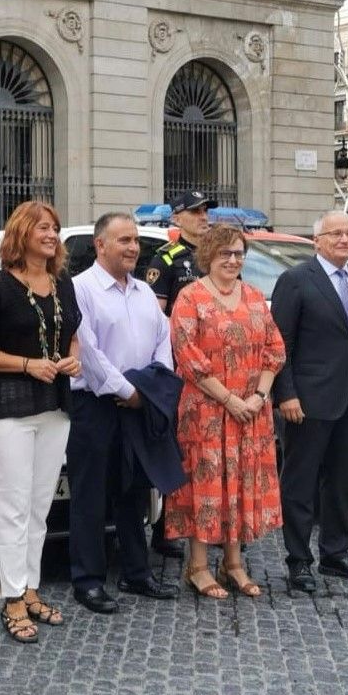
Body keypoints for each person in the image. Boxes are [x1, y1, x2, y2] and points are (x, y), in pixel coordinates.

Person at [0, 200, 81, 644]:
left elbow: (74, 332)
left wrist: (75, 360)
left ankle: (30, 587)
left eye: (54, 228)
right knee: (12, 509)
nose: (51, 235)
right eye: (43, 228)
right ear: (22, 233)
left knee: (39, 507)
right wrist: (26, 364)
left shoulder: (62, 283)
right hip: (11, 410)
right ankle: (12, 597)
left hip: (55, 407)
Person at [67, 212, 184, 615]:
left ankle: (137, 572)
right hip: (96, 405)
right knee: (91, 495)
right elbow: (88, 351)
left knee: (134, 492)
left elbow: (162, 343)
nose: (134, 247)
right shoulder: (80, 289)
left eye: (135, 240)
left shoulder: (144, 293)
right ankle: (88, 580)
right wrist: (128, 389)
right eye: (124, 240)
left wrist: (148, 390)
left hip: (138, 404)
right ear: (101, 245)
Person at [270, 210, 348, 593]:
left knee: (339, 483)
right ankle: (299, 561)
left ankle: (336, 554)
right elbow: (279, 346)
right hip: (307, 402)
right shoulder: (295, 280)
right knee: (300, 483)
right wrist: (285, 393)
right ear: (317, 240)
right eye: (335, 233)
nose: (344, 239)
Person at [164, 224, 285, 599]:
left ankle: (234, 564)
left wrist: (258, 398)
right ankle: (197, 567)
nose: (232, 260)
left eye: (238, 253)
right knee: (207, 485)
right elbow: (189, 359)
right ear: (208, 257)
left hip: (251, 412)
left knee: (241, 484)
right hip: (206, 412)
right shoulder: (190, 297)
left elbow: (274, 350)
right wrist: (230, 400)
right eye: (224, 254)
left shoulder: (253, 296)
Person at [143, 189, 216, 559]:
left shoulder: (214, 257)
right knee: (175, 447)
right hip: (181, 367)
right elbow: (158, 316)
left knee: (204, 450)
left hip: (214, 371)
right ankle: (164, 528)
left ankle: (205, 522)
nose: (203, 216)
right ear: (177, 218)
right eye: (196, 211)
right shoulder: (166, 259)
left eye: (206, 211)